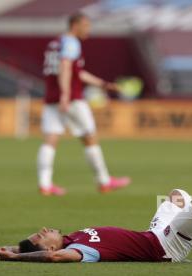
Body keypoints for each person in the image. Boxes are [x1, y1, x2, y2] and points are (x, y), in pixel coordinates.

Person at [0, 188, 192, 264]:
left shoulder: (72, 237)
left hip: (154, 234)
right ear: (50, 246)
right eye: (41, 236)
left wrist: (11, 249)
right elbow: (55, 257)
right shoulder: (79, 249)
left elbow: (45, 250)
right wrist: (20, 256)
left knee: (178, 195)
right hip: (165, 246)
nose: (44, 229)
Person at [38, 12, 130, 196]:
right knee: (90, 136)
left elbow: (75, 71)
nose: (89, 29)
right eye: (86, 25)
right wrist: (65, 94)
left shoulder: (54, 43)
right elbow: (65, 67)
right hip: (71, 98)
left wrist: (103, 84)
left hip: (51, 97)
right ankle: (104, 181)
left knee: (51, 139)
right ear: (75, 25)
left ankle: (45, 184)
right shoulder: (71, 43)